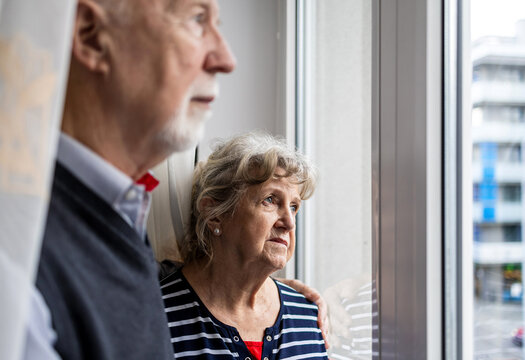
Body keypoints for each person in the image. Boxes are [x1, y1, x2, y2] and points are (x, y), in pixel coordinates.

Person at [24, 0, 327, 359]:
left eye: (295, 205)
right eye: (196, 19)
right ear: (92, 36)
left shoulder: (122, 224)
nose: (226, 59)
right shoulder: (25, 251)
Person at [160, 133, 328, 360]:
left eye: (294, 207)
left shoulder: (308, 316)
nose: (289, 222)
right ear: (215, 214)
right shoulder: (157, 316)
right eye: (270, 200)